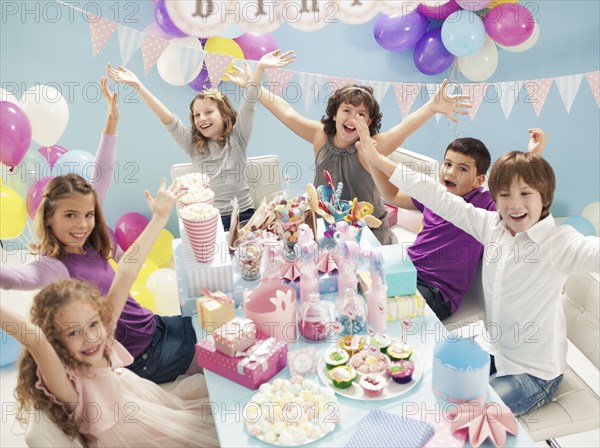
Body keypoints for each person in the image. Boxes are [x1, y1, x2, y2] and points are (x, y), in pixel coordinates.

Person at [356, 124, 600, 416]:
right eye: (505, 195)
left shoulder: (559, 244)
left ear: (544, 198)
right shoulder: (491, 225)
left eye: (526, 194)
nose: (515, 205)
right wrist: (376, 160)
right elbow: (435, 195)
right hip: (497, 353)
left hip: (536, 374)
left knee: (458, 418)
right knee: (427, 388)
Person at [0, 81, 199, 386]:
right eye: (70, 216)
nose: (82, 224)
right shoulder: (54, 266)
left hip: (154, 325)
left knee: (215, 325)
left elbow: (102, 175)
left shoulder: (87, 240)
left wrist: (112, 119)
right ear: (49, 220)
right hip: (145, 355)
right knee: (222, 354)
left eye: (88, 215)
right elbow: (16, 278)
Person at [1, 180, 219, 447]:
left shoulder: (103, 337)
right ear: (55, 338)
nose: (89, 337)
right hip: (142, 438)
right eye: (72, 332)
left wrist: (159, 218)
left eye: (92, 325)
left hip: (151, 407)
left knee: (220, 381)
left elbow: (126, 270)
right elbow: (33, 338)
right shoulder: (69, 388)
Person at [229, 50, 470, 244]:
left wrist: (431, 108)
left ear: (370, 122)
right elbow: (286, 112)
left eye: (361, 114)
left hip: (367, 231)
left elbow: (404, 128)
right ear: (334, 115)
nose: (353, 117)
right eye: (347, 110)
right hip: (324, 227)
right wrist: (254, 86)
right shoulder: (320, 136)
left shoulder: (373, 146)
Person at [360, 118, 547, 320]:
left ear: (479, 181)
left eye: (462, 169)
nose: (451, 172)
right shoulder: (435, 195)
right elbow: (392, 196)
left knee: (379, 314)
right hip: (407, 270)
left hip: (438, 291)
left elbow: (514, 192)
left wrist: (533, 155)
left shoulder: (485, 205)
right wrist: (373, 164)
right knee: (358, 290)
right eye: (448, 164)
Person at [106, 58, 290, 230]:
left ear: (224, 115)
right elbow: (167, 119)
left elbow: (249, 102)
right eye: (197, 115)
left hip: (244, 216)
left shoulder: (238, 137)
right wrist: (139, 87)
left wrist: (260, 69)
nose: (202, 118)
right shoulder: (192, 145)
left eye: (208, 112)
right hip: (210, 220)